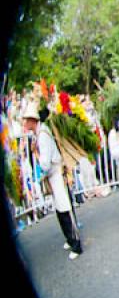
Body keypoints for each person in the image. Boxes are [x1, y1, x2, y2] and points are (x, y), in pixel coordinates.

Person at [21, 102, 83, 260]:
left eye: (27, 120)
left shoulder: (42, 135)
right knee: (59, 208)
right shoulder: (38, 133)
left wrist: (36, 155)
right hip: (52, 175)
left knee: (65, 208)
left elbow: (45, 164)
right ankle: (70, 238)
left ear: (32, 120)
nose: (25, 123)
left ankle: (76, 243)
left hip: (56, 174)